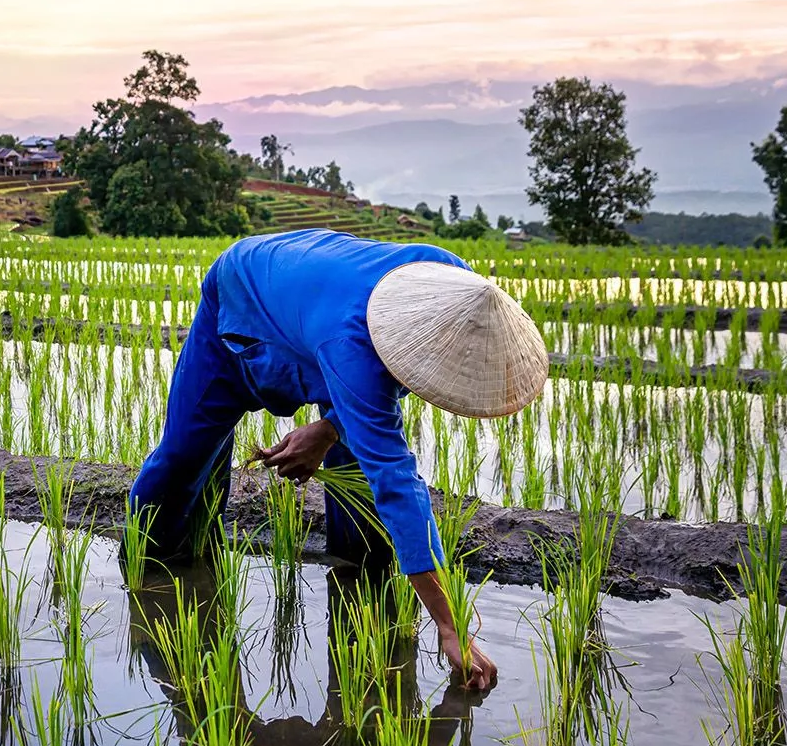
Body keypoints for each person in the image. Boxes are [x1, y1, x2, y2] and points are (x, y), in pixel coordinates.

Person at [127, 228, 547, 691]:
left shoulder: (451, 284)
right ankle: (152, 564)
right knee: (184, 457)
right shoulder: (350, 347)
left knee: (355, 460)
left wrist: (327, 430)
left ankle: (360, 567)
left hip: (321, 311)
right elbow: (397, 482)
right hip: (246, 292)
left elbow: (384, 385)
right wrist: (451, 627)